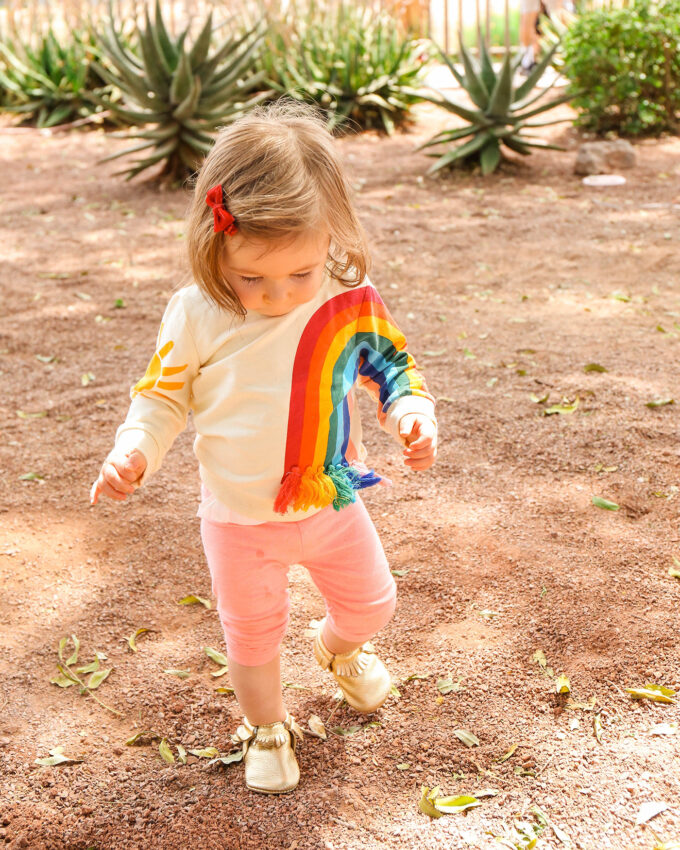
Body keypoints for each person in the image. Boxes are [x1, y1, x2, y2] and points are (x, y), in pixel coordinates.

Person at [89, 100, 438, 795]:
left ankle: (339, 651)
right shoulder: (198, 311)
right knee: (252, 637)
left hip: (329, 495)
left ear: (332, 237)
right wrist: (135, 447)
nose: (279, 295)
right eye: (254, 278)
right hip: (239, 518)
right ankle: (268, 726)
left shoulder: (345, 294)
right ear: (214, 241)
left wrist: (409, 409)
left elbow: (391, 364)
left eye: (298, 274)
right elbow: (162, 396)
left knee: (373, 605)